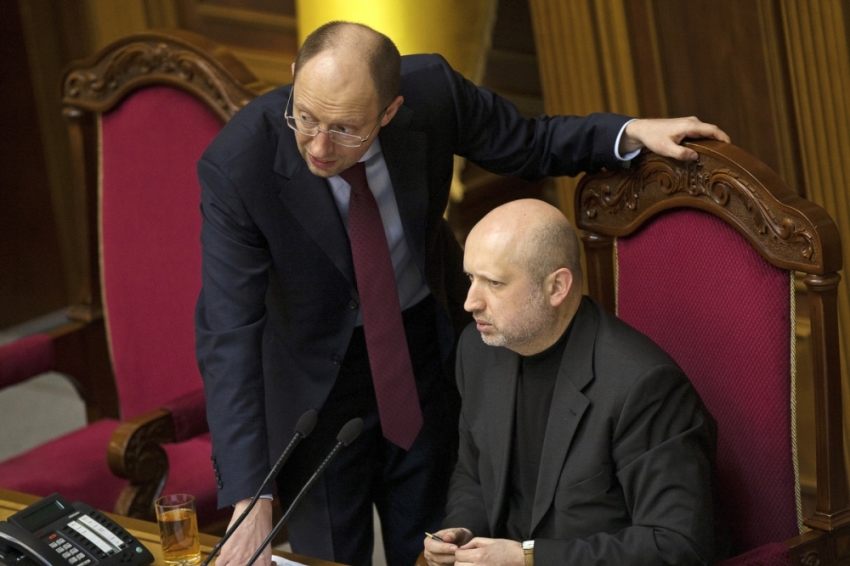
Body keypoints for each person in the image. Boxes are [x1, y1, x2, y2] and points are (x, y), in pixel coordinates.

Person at [195, 20, 730, 566]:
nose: (319, 145)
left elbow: (531, 144)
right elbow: (227, 334)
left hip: (425, 356)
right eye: (305, 117)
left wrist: (631, 132)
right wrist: (251, 496)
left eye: (345, 129)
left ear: (390, 111)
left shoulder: (433, 93)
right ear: (293, 78)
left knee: (438, 543)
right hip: (313, 390)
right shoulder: (238, 164)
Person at [423, 199, 724, 565]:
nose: (470, 302)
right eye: (471, 278)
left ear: (557, 287)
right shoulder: (478, 350)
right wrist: (461, 531)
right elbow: (474, 473)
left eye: (494, 283)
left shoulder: (643, 386)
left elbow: (676, 545)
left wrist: (527, 558)